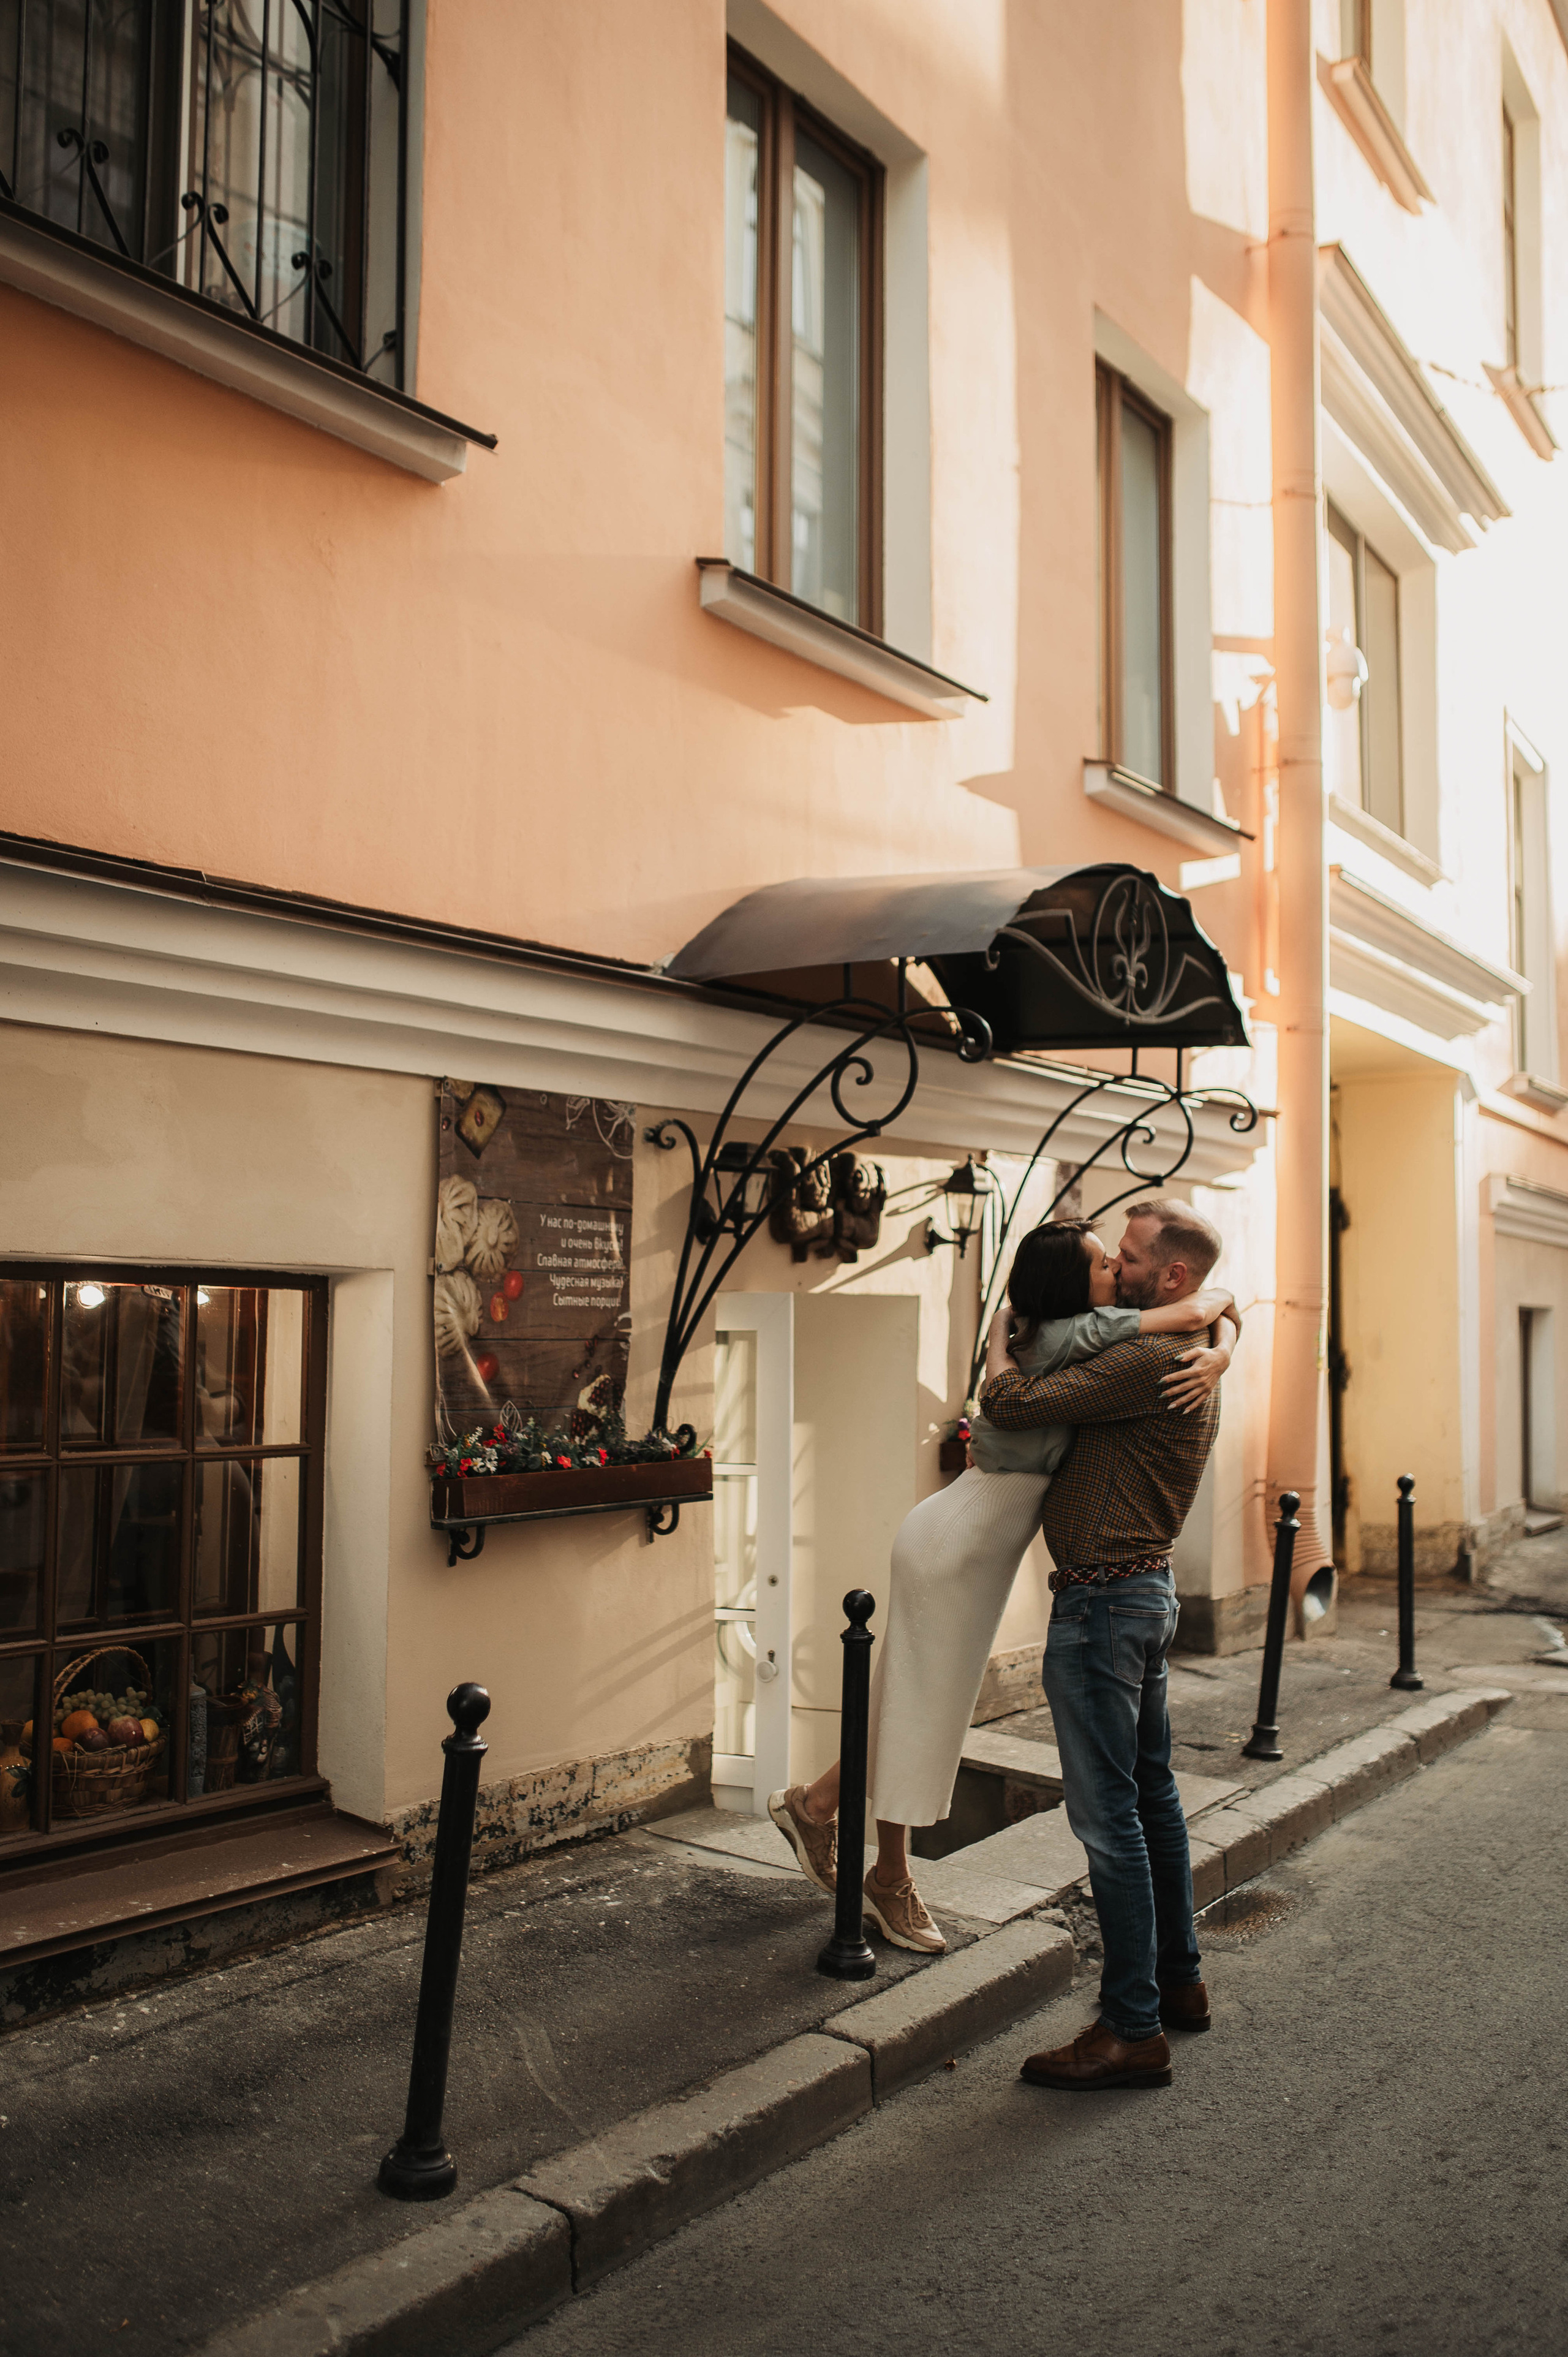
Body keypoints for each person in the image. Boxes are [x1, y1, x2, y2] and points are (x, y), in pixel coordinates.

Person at [767, 1214, 1238, 1955]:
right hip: (958, 1537)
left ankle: (819, 1806)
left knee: (909, 1698)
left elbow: (1212, 1301)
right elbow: (1015, 1400)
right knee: (923, 1706)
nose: (1115, 1263)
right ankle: (887, 1873)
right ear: (1069, 1286)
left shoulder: (1102, 1333)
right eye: (1103, 1261)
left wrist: (1225, 1344)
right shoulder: (1071, 1338)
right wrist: (996, 1344)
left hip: (975, 1537)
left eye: (1126, 1258)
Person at [977, 1197, 1231, 2092]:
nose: (1115, 1272)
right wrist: (1224, 1321)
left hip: (1103, 1607)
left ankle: (1131, 2027)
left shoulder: (1147, 1358)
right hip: (1140, 1594)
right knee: (1152, 1796)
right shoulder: (1185, 1343)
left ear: (1171, 1277)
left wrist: (1008, 1343)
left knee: (1109, 1816)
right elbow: (1217, 1302)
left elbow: (1013, 1400)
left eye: (1126, 1259)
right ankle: (1179, 1980)